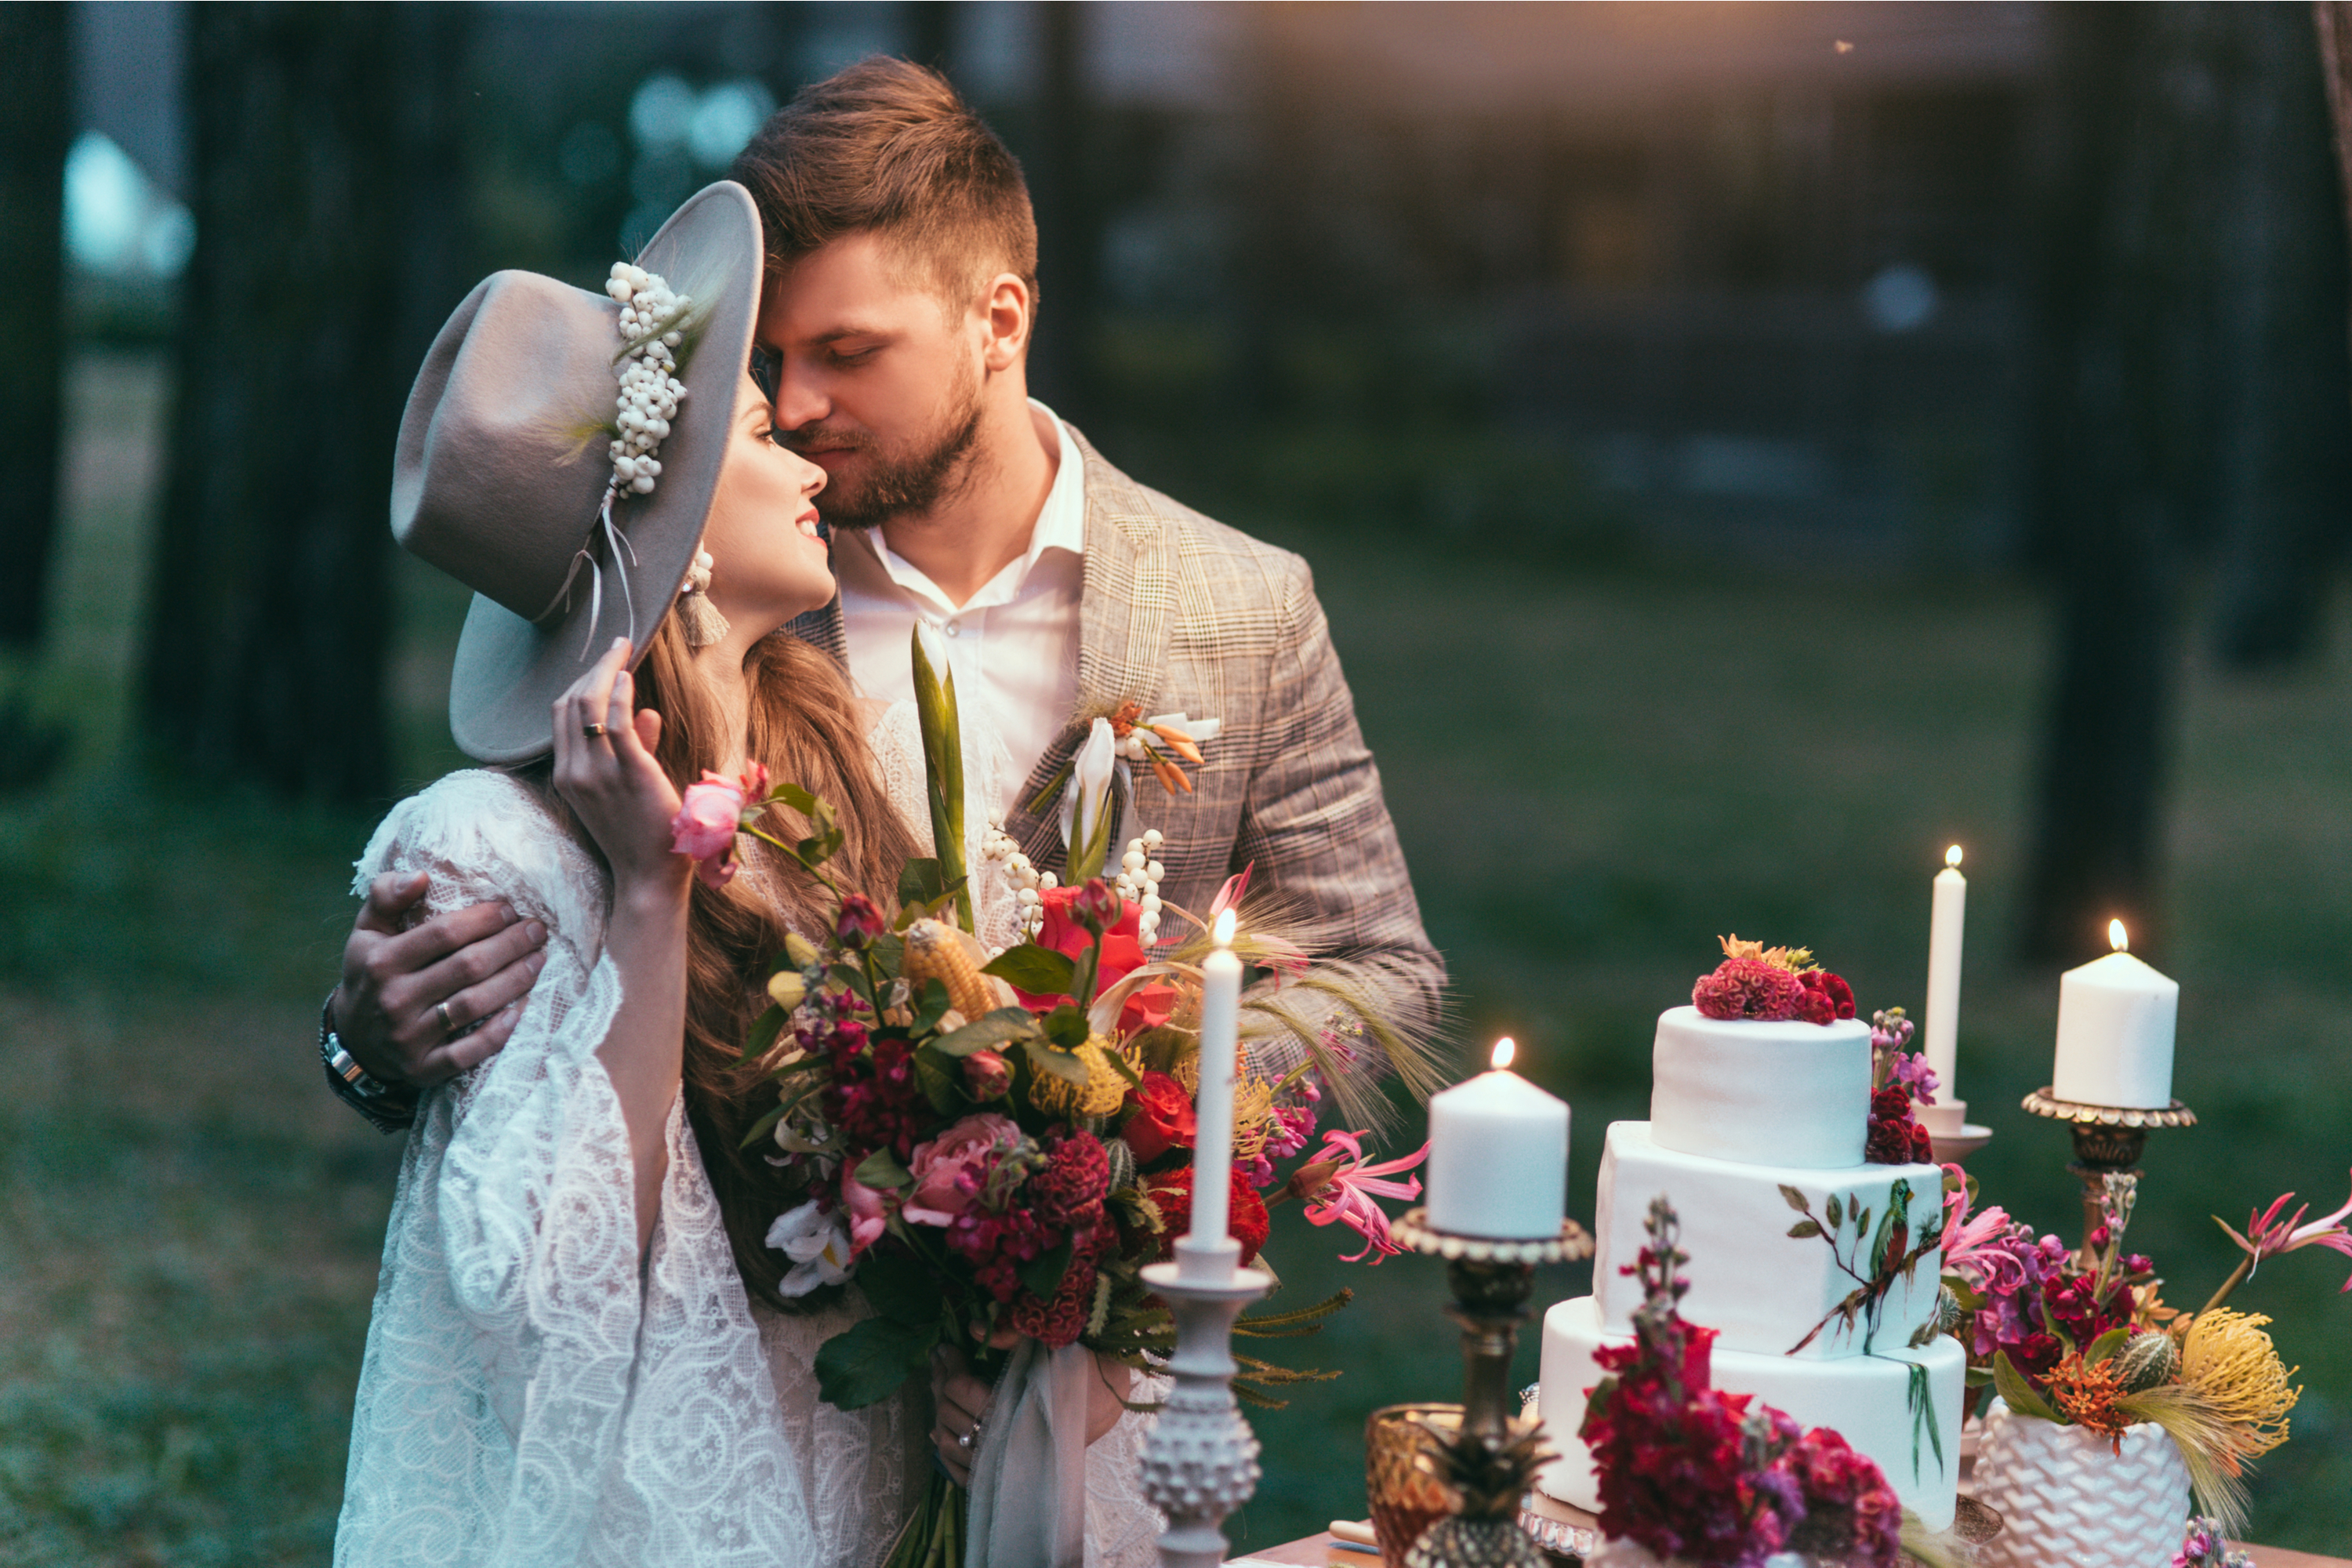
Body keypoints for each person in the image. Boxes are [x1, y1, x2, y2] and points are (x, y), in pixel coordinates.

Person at [319, 56, 1443, 1491]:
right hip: (775, 1409)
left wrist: (1112, 1184)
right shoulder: (720, 584)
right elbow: (546, 969)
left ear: (999, 320)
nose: (796, 405)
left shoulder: (1241, 606)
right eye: (774, 361)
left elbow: (1379, 972)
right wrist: (369, 1047)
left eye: (847, 352)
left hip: (1087, 1400)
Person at [335, 182, 1156, 1568]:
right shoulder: (496, 842)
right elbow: (553, 1287)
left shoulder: (817, 751)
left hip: (845, 1459)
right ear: (677, 528)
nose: (814, 458)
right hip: (658, 1503)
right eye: (767, 435)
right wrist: (649, 899)